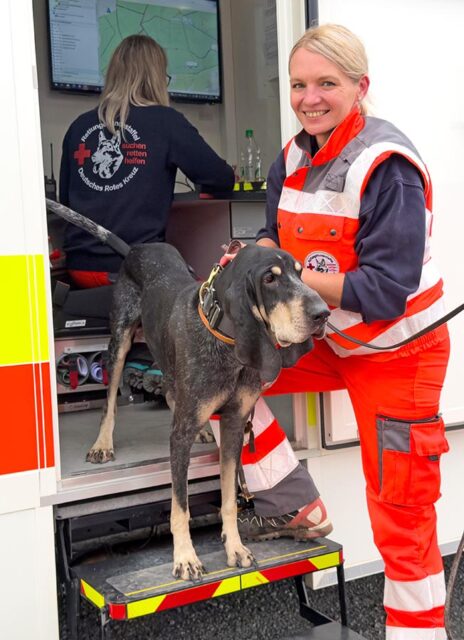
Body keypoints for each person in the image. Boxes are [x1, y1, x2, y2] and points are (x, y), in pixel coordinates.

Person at [233, 23, 450, 640]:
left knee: (400, 516)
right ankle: (294, 503)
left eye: (326, 83)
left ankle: (418, 633)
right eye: (299, 84)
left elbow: (383, 292)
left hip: (399, 352)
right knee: (225, 368)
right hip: (332, 339)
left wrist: (283, 273)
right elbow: (273, 233)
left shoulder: (389, 167)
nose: (309, 98)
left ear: (360, 87)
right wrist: (253, 257)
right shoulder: (293, 156)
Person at [58, 34, 234, 389]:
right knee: (208, 295)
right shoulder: (165, 122)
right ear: (157, 78)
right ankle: (162, 368)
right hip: (132, 271)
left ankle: (141, 358)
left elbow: (65, 200)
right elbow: (221, 178)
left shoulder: (78, 128)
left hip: (80, 271)